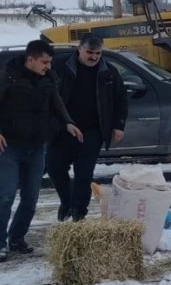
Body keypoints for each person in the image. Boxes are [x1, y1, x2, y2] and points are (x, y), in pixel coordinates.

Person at [0, 40, 83, 262]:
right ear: (30, 60)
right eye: (44, 62)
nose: (48, 66)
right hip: (8, 146)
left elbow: (57, 104)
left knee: (31, 198)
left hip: (36, 147)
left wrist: (68, 122)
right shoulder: (7, 77)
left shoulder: (48, 79)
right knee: (6, 196)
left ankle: (16, 237)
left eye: (49, 62)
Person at [46, 33, 128, 222]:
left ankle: (79, 212)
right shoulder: (60, 66)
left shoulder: (109, 72)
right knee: (54, 167)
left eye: (98, 53)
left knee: (84, 173)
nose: (93, 57)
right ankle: (66, 201)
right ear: (79, 49)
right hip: (62, 128)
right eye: (89, 52)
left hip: (93, 130)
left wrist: (118, 125)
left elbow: (121, 100)